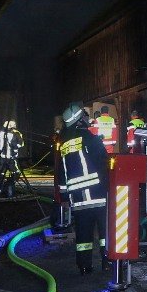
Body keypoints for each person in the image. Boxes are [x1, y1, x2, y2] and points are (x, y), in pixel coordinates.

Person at [56, 101, 108, 275]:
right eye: (84, 116)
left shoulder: (63, 143)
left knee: (83, 235)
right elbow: (103, 162)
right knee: (104, 233)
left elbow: (61, 173)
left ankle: (85, 266)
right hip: (97, 194)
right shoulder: (88, 138)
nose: (87, 119)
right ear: (80, 120)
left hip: (78, 199)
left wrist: (63, 198)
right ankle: (108, 262)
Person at [0, 119, 24, 195]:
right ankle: (10, 185)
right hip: (10, 158)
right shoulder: (16, 134)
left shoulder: (2, 133)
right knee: (15, 172)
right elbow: (19, 145)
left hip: (3, 157)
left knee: (1, 173)